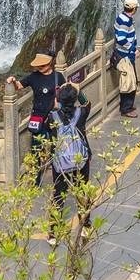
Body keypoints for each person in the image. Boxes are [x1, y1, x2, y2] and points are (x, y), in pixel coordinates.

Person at [8, 52, 66, 186]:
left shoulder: (58, 76)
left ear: (50, 62)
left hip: (54, 118)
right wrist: (13, 80)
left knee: (56, 149)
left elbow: (66, 93)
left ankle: (58, 181)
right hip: (38, 119)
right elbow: (19, 86)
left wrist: (61, 106)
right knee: (36, 151)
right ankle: (35, 182)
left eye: (43, 65)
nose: (40, 67)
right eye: (38, 65)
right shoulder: (34, 76)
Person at [47, 83, 92, 246]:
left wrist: (55, 103)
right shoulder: (82, 113)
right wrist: (78, 90)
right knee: (82, 192)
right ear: (74, 99)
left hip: (60, 163)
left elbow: (49, 129)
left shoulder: (52, 117)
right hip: (81, 161)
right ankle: (85, 225)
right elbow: (87, 102)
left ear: (58, 100)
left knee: (58, 195)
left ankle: (53, 233)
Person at [112, 0, 140, 118]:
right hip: (125, 56)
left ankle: (126, 105)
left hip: (124, 54)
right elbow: (121, 39)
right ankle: (126, 109)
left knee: (130, 80)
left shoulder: (122, 17)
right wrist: (133, 49)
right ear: (134, 9)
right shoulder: (125, 22)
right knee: (129, 82)